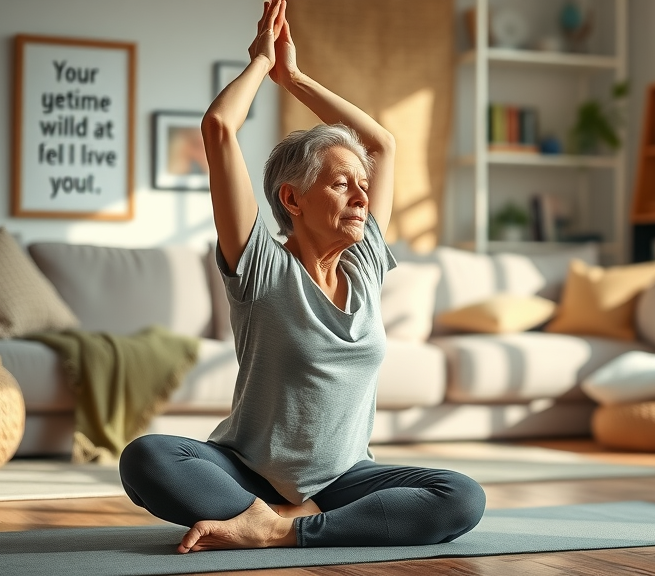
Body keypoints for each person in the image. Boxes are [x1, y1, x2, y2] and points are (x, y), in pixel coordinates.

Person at [118, 0, 486, 552]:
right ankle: (276, 519)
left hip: (342, 481)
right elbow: (219, 126)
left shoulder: (363, 265)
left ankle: (279, 529)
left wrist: (296, 77)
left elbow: (383, 143)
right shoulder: (261, 264)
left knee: (461, 496)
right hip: (246, 473)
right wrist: (264, 65)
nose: (362, 198)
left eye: (364, 185)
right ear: (292, 199)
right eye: (342, 185)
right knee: (147, 458)